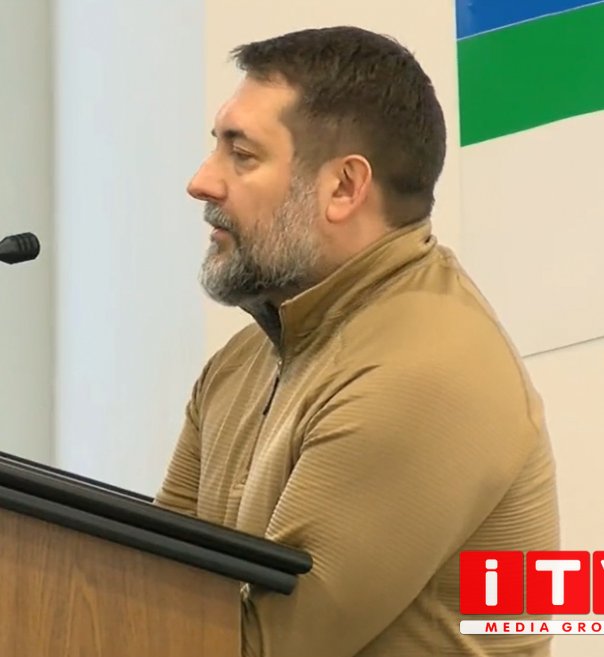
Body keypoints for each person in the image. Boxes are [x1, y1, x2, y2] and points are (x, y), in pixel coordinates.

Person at [153, 26, 560, 657]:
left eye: (243, 155)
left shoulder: (424, 374)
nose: (202, 181)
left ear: (344, 187)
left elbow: (252, 648)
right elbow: (150, 581)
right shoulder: (242, 362)